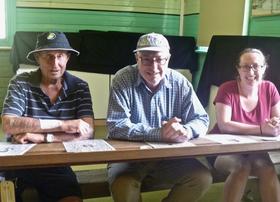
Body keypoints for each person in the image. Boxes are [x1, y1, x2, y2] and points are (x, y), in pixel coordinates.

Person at [106, 32, 212, 202]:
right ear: (137, 58)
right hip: (128, 158)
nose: (153, 67)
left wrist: (186, 130)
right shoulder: (123, 78)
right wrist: (159, 133)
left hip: (169, 157)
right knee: (123, 184)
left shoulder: (180, 82)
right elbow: (116, 125)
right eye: (146, 59)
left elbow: (201, 118)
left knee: (201, 178)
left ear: (168, 59)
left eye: (159, 59)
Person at [2, 31, 94, 202]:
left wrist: (40, 137)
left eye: (60, 56)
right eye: (48, 56)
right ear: (37, 58)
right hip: (17, 164)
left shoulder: (80, 87)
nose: (55, 63)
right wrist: (63, 125)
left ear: (67, 58)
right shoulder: (20, 82)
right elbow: (9, 124)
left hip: (57, 165)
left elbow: (87, 131)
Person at [210, 48, 280, 202]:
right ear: (238, 69)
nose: (251, 71)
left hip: (254, 150)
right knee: (241, 167)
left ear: (264, 68)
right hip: (222, 150)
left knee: (268, 168)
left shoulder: (270, 88)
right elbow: (224, 125)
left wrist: (275, 125)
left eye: (256, 66)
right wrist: (262, 129)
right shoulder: (226, 88)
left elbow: (277, 121)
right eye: (245, 66)